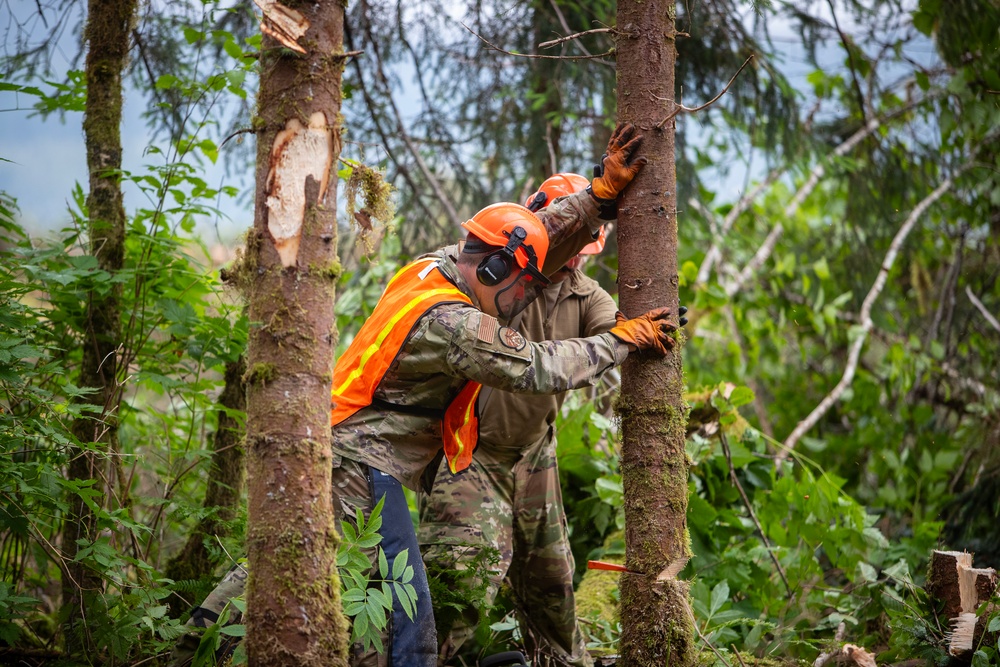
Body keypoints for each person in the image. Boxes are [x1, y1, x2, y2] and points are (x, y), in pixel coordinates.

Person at [172, 123, 666, 666]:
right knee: (395, 615)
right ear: (494, 267)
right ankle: (195, 648)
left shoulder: (444, 265)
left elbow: (533, 234)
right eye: (522, 286)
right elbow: (537, 367)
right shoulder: (451, 325)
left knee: (295, 563)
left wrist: (595, 199)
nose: (524, 298)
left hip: (348, 452)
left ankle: (189, 645)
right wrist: (616, 342)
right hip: (359, 466)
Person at [417, 173, 617, 667]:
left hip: (535, 456)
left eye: (581, 248)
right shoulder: (501, 281)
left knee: (552, 586)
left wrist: (643, 341)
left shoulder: (586, 296)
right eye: (567, 241)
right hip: (470, 452)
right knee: (453, 590)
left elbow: (617, 338)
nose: (572, 257)